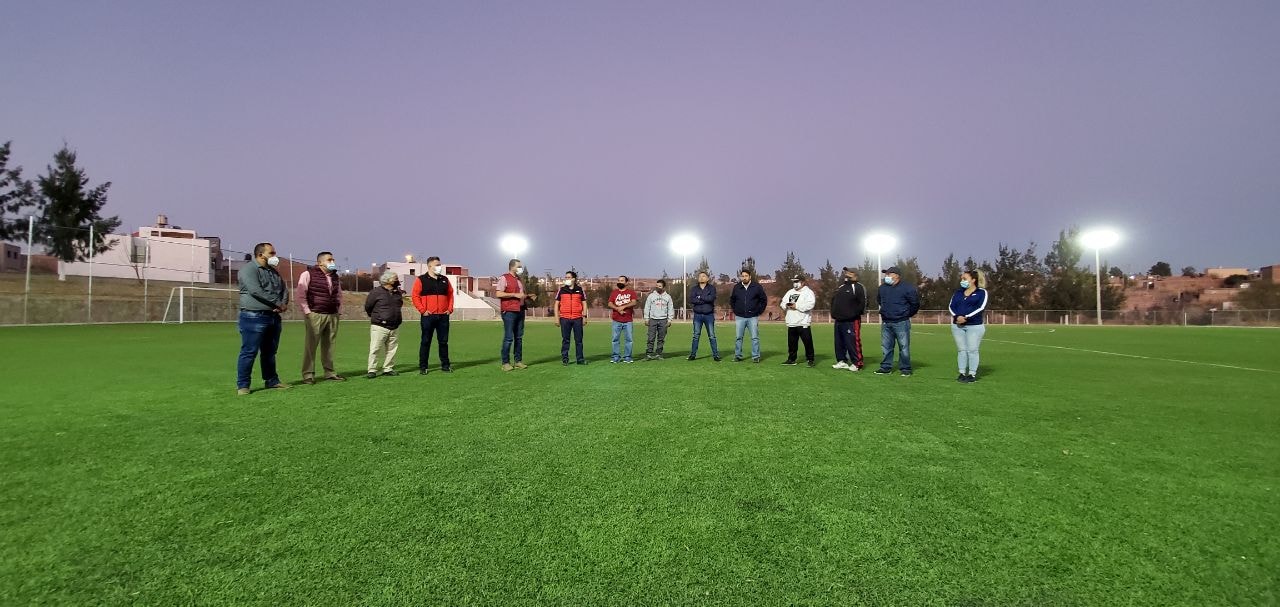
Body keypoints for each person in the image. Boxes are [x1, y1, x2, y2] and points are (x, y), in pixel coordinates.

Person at [236, 242, 290, 395]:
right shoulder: (249, 270)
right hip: (253, 317)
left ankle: (272, 380)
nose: (275, 256)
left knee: (270, 352)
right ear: (260, 255)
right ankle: (243, 385)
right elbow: (255, 291)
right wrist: (277, 303)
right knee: (249, 351)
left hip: (273, 317)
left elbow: (283, 289)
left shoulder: (273, 272)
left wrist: (283, 303)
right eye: (271, 253)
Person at [295, 251, 345, 385]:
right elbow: (301, 294)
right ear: (320, 262)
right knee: (311, 346)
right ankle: (308, 375)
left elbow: (339, 294)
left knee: (329, 346)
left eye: (333, 259)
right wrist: (307, 312)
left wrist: (339, 311)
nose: (332, 262)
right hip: (315, 314)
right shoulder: (307, 274)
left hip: (332, 314)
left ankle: (329, 372)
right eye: (329, 260)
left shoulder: (335, 277)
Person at [875, 266, 920, 376]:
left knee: (904, 347)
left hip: (901, 322)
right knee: (886, 347)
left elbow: (915, 304)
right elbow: (880, 301)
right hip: (886, 322)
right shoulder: (882, 288)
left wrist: (906, 314)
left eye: (889, 274)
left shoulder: (908, 288)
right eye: (886, 274)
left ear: (897, 275)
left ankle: (905, 369)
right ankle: (886, 367)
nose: (886, 276)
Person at [412, 256, 454, 375]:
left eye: (439, 265)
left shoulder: (445, 280)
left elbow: (450, 295)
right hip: (428, 316)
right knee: (425, 341)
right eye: (437, 265)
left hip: (443, 316)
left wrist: (449, 309)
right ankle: (423, 367)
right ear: (429, 266)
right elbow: (415, 297)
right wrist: (422, 310)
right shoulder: (421, 280)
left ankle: (445, 365)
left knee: (443, 342)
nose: (439, 267)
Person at [949, 269, 990, 383]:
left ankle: (972, 374)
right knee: (961, 350)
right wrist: (957, 317)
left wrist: (965, 317)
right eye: (961, 279)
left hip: (974, 326)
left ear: (973, 280)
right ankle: (962, 373)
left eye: (964, 279)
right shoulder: (958, 292)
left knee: (972, 350)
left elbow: (981, 307)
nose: (962, 281)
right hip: (957, 326)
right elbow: (951, 306)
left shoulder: (982, 292)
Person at [495, 259, 536, 371]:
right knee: (509, 338)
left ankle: (518, 361)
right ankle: (505, 363)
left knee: (519, 338)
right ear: (512, 267)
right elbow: (498, 293)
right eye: (519, 266)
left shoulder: (519, 280)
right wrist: (514, 294)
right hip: (509, 311)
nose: (520, 268)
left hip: (520, 311)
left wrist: (527, 296)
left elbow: (520, 295)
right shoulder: (504, 278)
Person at [364, 271, 405, 378]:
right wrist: (378, 317)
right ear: (388, 280)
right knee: (375, 348)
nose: (397, 281)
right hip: (379, 326)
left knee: (392, 349)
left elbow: (399, 306)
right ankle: (372, 370)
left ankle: (388, 368)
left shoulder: (397, 293)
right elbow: (368, 307)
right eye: (395, 279)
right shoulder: (376, 292)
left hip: (394, 326)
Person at [829, 267, 867, 371]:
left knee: (852, 342)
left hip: (851, 320)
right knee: (839, 342)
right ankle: (842, 361)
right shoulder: (841, 287)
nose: (847, 274)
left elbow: (862, 303)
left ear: (855, 274)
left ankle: (857, 363)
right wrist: (833, 313)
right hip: (839, 320)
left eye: (850, 272)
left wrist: (853, 314)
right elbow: (833, 300)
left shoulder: (858, 287)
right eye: (846, 272)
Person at [729, 269, 768, 362]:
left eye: (746, 276)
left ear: (750, 277)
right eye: (742, 276)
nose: (744, 277)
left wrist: (759, 311)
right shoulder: (737, 287)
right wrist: (736, 310)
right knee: (738, 337)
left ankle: (756, 356)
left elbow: (763, 300)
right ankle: (738, 355)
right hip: (740, 317)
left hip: (752, 317)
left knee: (754, 337)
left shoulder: (757, 287)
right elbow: (732, 300)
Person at [780, 274, 817, 367]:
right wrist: (786, 305)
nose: (795, 284)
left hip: (803, 322)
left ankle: (810, 359)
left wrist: (797, 306)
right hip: (791, 322)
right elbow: (782, 303)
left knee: (807, 342)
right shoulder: (790, 292)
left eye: (797, 281)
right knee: (792, 343)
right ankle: (791, 359)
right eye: (794, 282)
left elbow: (810, 305)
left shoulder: (808, 292)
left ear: (802, 282)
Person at [554, 271, 588, 365]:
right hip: (564, 318)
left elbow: (584, 304)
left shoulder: (580, 290)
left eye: (569, 277)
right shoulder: (561, 290)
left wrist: (584, 316)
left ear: (574, 279)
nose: (567, 279)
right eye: (566, 277)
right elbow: (556, 304)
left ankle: (580, 359)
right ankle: (565, 359)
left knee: (579, 340)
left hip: (577, 318)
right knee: (565, 340)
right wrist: (556, 318)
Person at [688, 270, 721, 361]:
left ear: (707, 278)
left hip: (709, 315)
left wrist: (699, 297)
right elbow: (692, 299)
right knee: (696, 336)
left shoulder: (712, 288)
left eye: (703, 276)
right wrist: (704, 298)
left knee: (712, 335)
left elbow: (711, 298)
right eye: (699, 276)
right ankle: (693, 355)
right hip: (697, 315)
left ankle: (716, 355)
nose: (701, 278)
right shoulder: (694, 289)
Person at [608, 275, 638, 363]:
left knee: (629, 340)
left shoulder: (631, 292)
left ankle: (627, 357)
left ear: (626, 282)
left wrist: (623, 307)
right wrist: (618, 309)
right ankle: (615, 357)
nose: (619, 282)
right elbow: (610, 303)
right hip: (616, 320)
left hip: (628, 320)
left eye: (622, 280)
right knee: (615, 339)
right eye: (618, 280)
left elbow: (634, 302)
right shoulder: (614, 293)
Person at [643, 279, 675, 360]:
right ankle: (649, 354)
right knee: (650, 338)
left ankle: (659, 354)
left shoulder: (668, 297)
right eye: (657, 286)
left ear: (664, 287)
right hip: (653, 319)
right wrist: (646, 318)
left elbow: (670, 309)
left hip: (663, 320)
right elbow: (647, 307)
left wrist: (670, 320)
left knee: (661, 338)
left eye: (660, 286)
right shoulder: (651, 296)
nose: (658, 287)